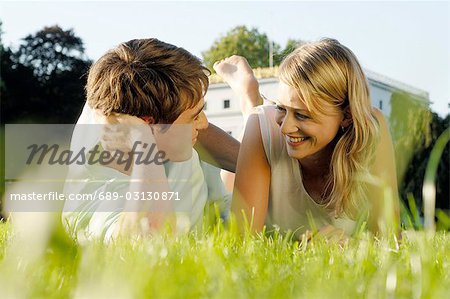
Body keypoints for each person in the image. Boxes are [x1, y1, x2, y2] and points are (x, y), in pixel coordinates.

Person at [214, 38, 400, 239]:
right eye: (281, 108)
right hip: (258, 135)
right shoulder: (264, 124)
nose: (285, 128)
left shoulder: (371, 128)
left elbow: (390, 238)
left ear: (346, 116)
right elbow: (241, 241)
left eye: (302, 115)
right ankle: (249, 99)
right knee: (255, 121)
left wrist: (351, 247)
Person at [62, 38, 239, 242]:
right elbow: (150, 242)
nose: (204, 124)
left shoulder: (148, 107)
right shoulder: (97, 193)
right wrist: (143, 141)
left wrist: (254, 110)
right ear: (147, 125)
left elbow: (225, 210)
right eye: (194, 117)